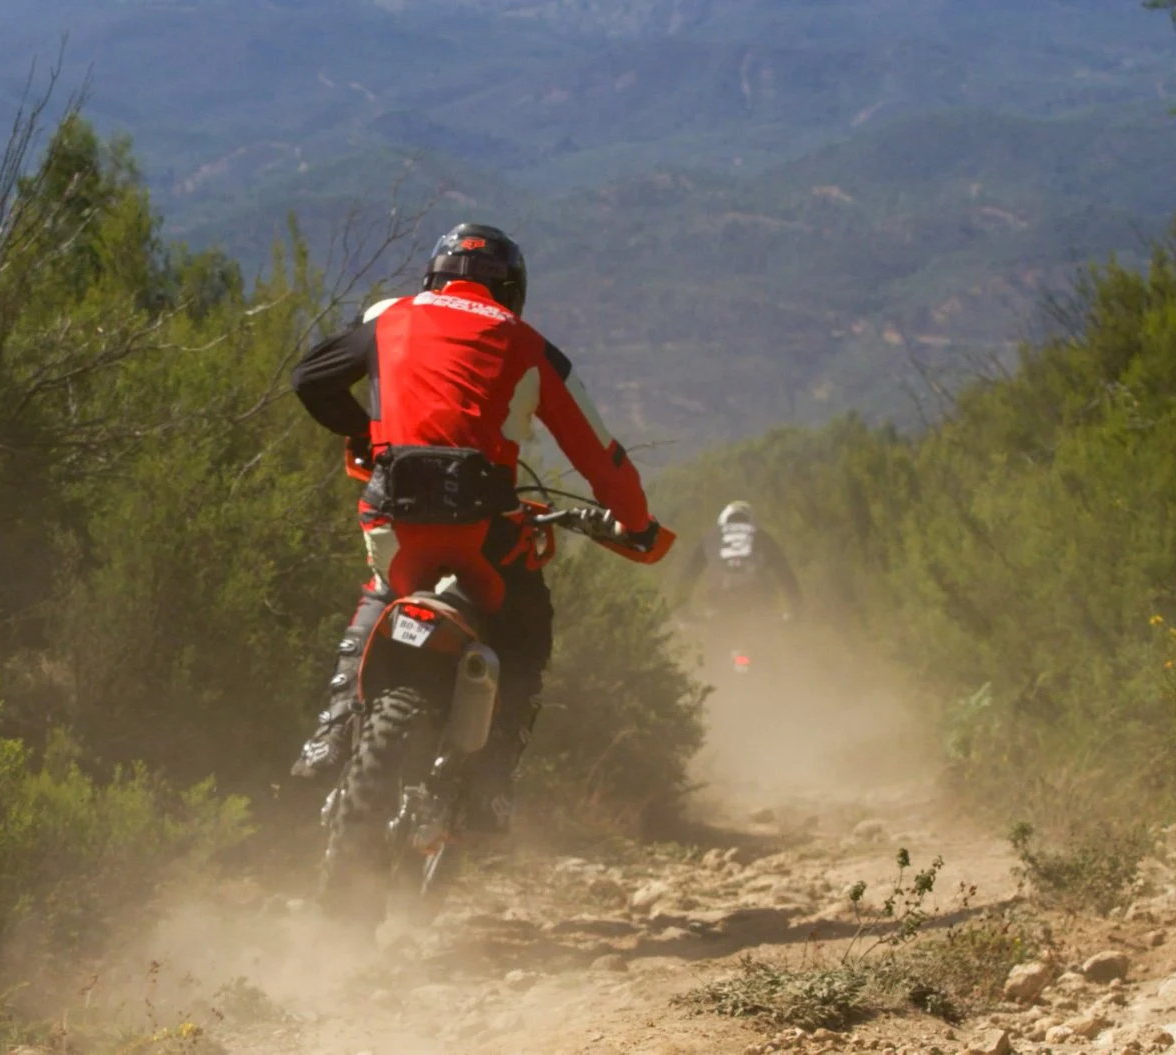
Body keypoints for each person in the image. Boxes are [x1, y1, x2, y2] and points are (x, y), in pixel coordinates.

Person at [286, 223, 667, 832]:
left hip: (395, 525)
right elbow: (601, 457)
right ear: (511, 288)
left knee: (381, 590)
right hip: (483, 535)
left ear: (435, 274)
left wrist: (365, 433)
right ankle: (492, 785)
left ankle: (330, 732)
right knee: (526, 629)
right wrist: (639, 524)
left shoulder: (390, 320)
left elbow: (308, 380)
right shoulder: (526, 345)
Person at [678, 500, 803, 622]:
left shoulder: (709, 537)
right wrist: (797, 611)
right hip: (758, 604)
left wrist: (683, 612)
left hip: (718, 604)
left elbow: (688, 575)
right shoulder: (763, 536)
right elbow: (785, 575)